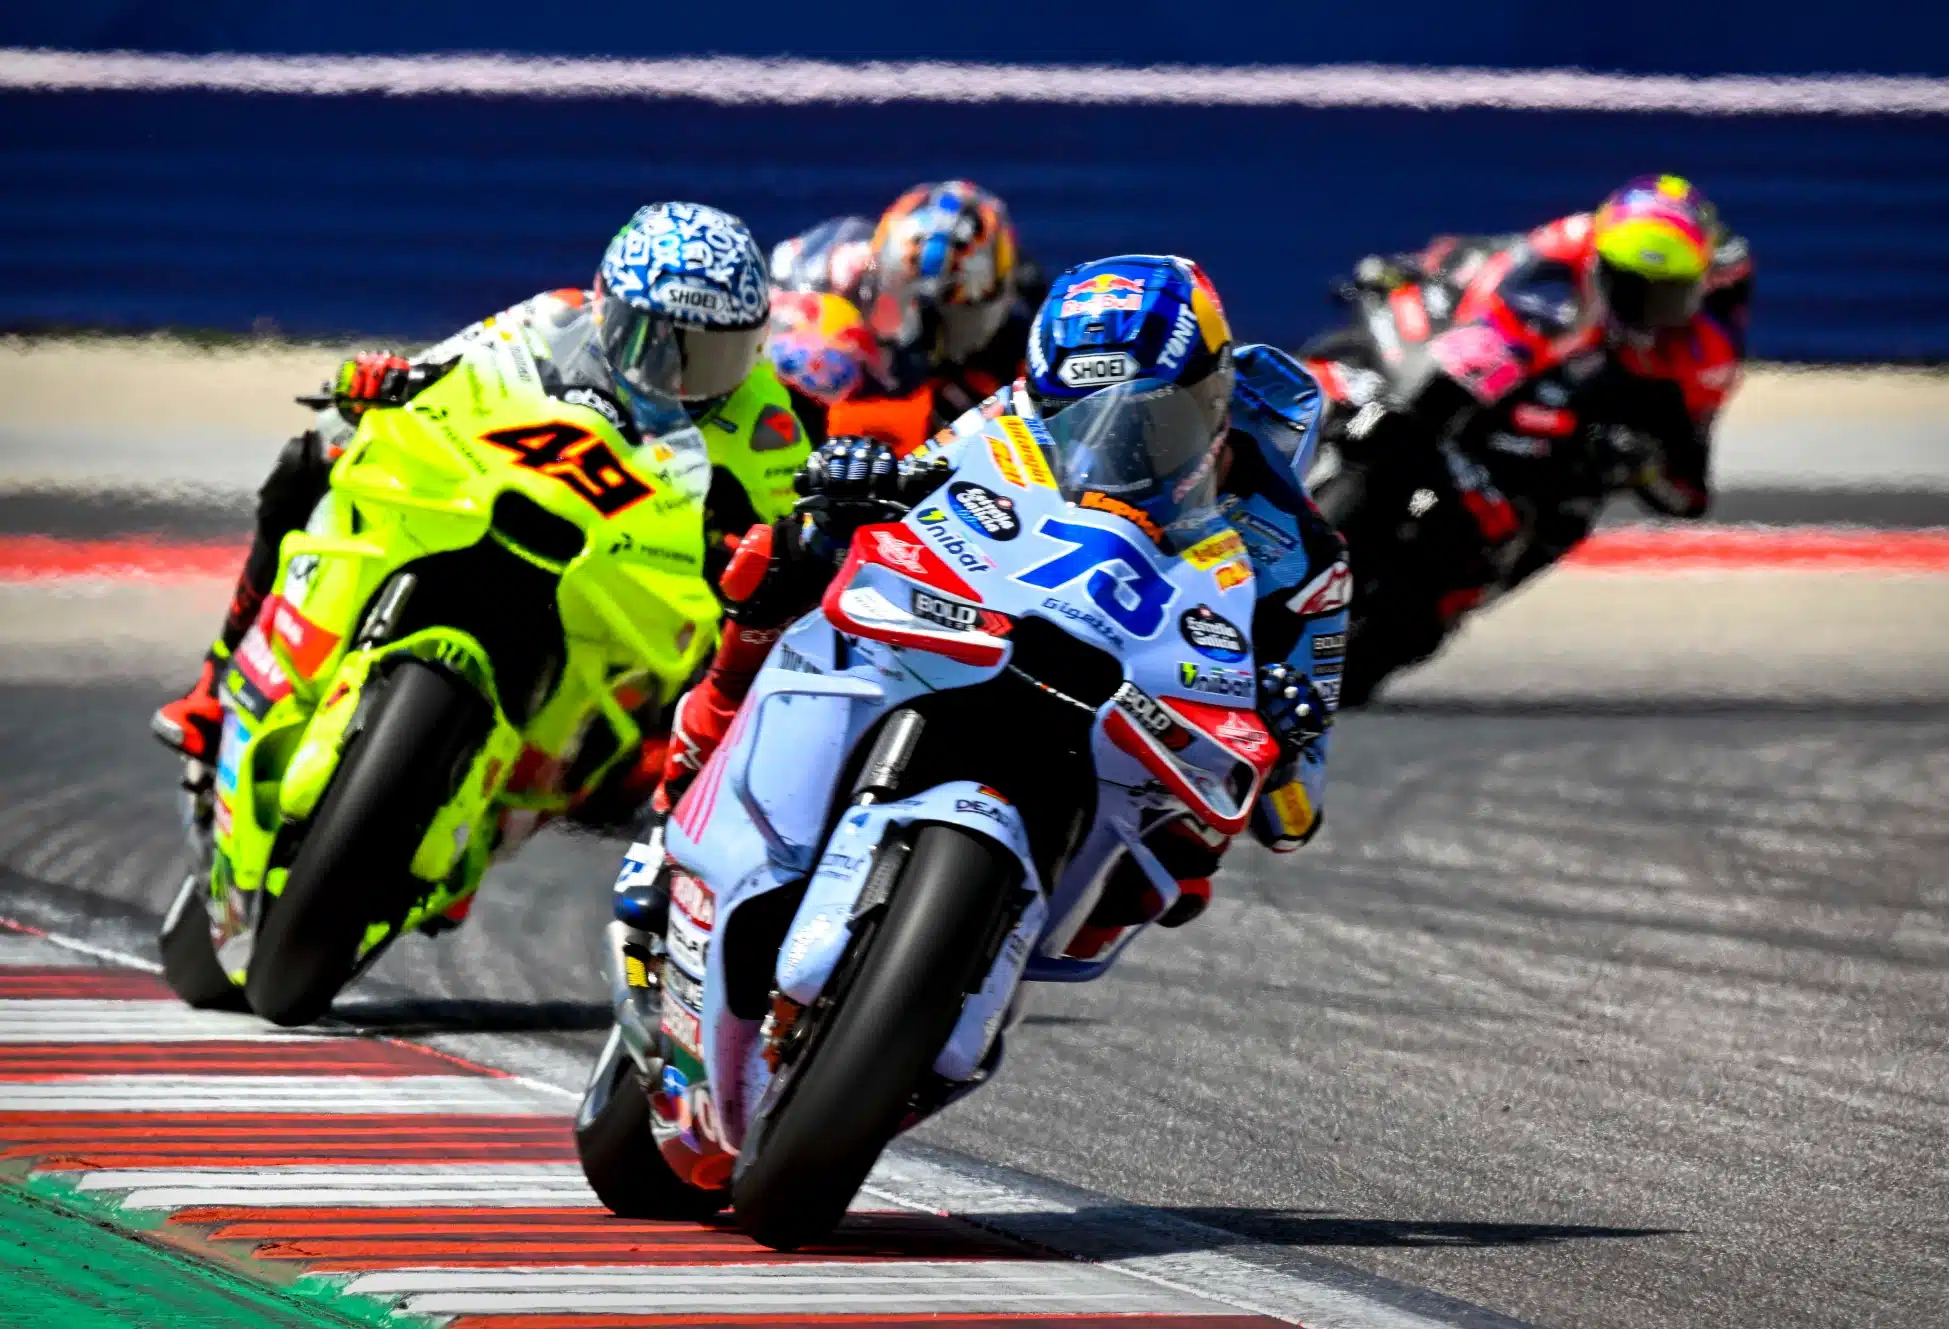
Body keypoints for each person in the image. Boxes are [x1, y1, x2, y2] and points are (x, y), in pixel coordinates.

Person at [641, 255, 1349, 957]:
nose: (1106, 443)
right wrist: (855, 480)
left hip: (1149, 701)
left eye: (1148, 420)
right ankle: (676, 803)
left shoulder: (1301, 551)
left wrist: (1285, 741)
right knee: (789, 552)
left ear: (1212, 398)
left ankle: (996, 951)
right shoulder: (1016, 409)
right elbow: (917, 481)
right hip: (1004, 622)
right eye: (1069, 418)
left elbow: (1295, 819)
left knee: (1188, 864)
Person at [151, 202, 812, 815]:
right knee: (316, 452)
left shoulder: (767, 425)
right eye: (655, 341)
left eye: (713, 356)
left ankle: (596, 788)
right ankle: (214, 681)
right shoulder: (554, 318)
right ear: (604, 304)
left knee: (709, 674)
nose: (678, 374)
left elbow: (797, 535)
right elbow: (446, 368)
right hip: (502, 495)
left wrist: (767, 556)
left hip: (630, 577)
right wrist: (384, 382)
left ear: (753, 347)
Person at [1321, 175, 1750, 697]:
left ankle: (1429, 612)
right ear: (1599, 264)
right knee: (1363, 380)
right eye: (1632, 287)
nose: (1645, 306)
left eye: (1665, 294)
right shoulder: (1553, 264)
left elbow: (1689, 493)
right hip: (1480, 389)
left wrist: (1636, 459)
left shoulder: (1703, 354)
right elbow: (1476, 298)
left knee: (1532, 543)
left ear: (1701, 284)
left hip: (1552, 471)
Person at [764, 180, 1046, 455]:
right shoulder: (832, 271)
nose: (919, 324)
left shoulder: (1021, 345)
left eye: (944, 310)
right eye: (904, 294)